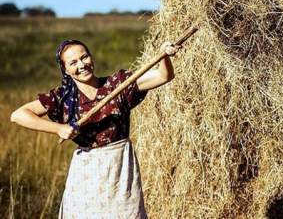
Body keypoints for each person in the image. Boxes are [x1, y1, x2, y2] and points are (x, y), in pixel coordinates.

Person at [10, 39, 180, 219]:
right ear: (65, 69)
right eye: (73, 62)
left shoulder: (117, 84)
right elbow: (18, 115)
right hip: (86, 171)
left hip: (120, 167)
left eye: (84, 57)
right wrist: (58, 128)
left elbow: (163, 76)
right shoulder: (62, 97)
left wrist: (164, 55)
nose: (82, 65)